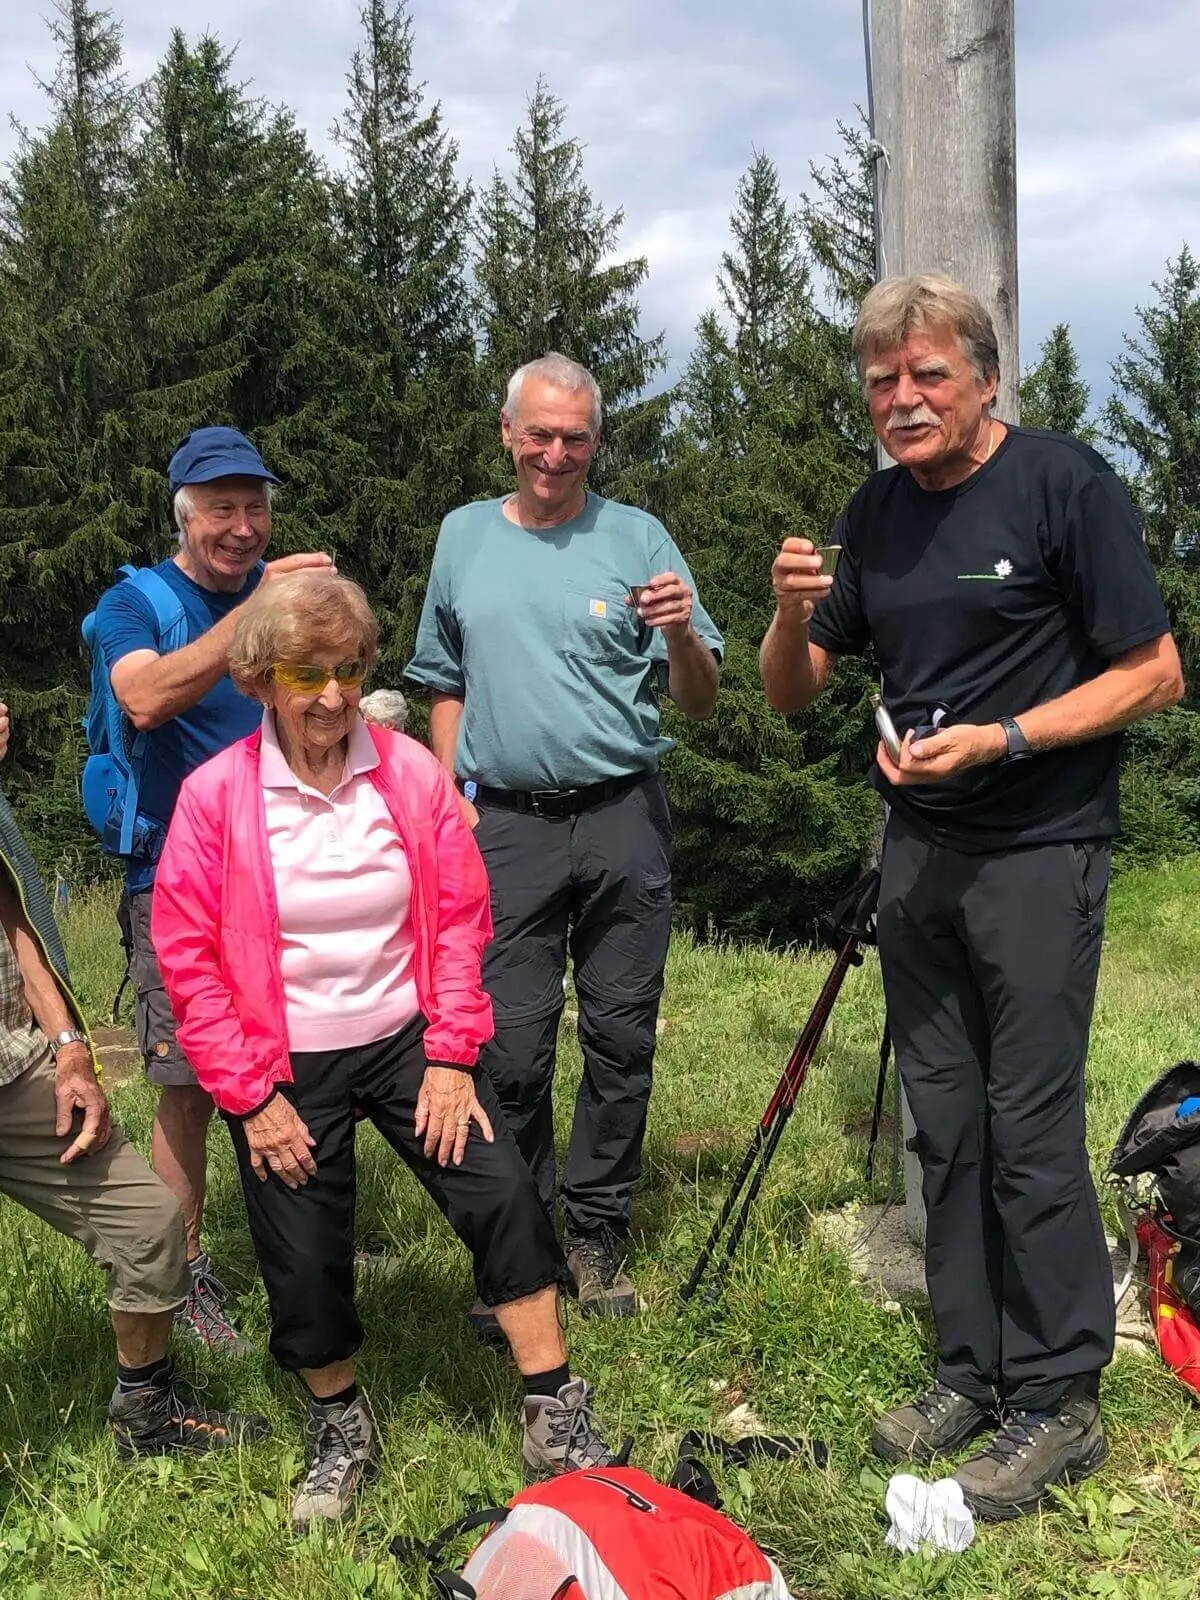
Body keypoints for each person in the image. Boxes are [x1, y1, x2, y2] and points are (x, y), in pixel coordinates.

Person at [759, 274, 1184, 1520]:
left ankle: (1059, 1399)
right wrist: (788, 615)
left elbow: (1153, 673)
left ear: (984, 380)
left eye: (928, 374)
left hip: (1041, 848)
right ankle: (972, 1367)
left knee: (1031, 1125)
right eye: (882, 380)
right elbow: (793, 692)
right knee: (944, 1121)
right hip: (919, 856)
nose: (902, 399)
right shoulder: (875, 514)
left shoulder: (1064, 483)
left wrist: (1003, 739)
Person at [150, 572, 616, 1531]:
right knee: (302, 1247)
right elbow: (187, 958)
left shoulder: (408, 772)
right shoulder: (214, 797)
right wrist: (246, 1095)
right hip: (280, 1057)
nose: (329, 695)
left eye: (347, 671)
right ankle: (339, 1425)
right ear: (262, 680)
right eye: (304, 673)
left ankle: (553, 1411)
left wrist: (450, 1056)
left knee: (500, 1188)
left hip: (406, 1038)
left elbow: (458, 918)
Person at [406, 353, 723, 1326]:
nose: (554, 453)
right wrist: (452, 793)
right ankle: (522, 1238)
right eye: (538, 434)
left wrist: (678, 635)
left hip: (624, 813)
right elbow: (442, 676)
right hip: (503, 820)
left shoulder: (637, 538)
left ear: (596, 440)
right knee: (509, 1048)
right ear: (507, 432)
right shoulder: (463, 536)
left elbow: (702, 696)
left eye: (574, 437)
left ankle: (597, 1229)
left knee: (623, 1036)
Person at [91, 426, 331, 1355]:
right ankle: (182, 1278)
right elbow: (143, 697)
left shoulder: (279, 589)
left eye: (255, 507)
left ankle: (306, 1247)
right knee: (188, 1085)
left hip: (288, 864)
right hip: (177, 883)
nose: (242, 527)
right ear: (185, 514)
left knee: (302, 1065)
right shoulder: (135, 602)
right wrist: (257, 614)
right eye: (222, 509)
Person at [0, 742, 266, 1458]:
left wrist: (69, 1047)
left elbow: (19, 927)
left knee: (149, 1223)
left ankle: (143, 1418)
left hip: (15, 1069)